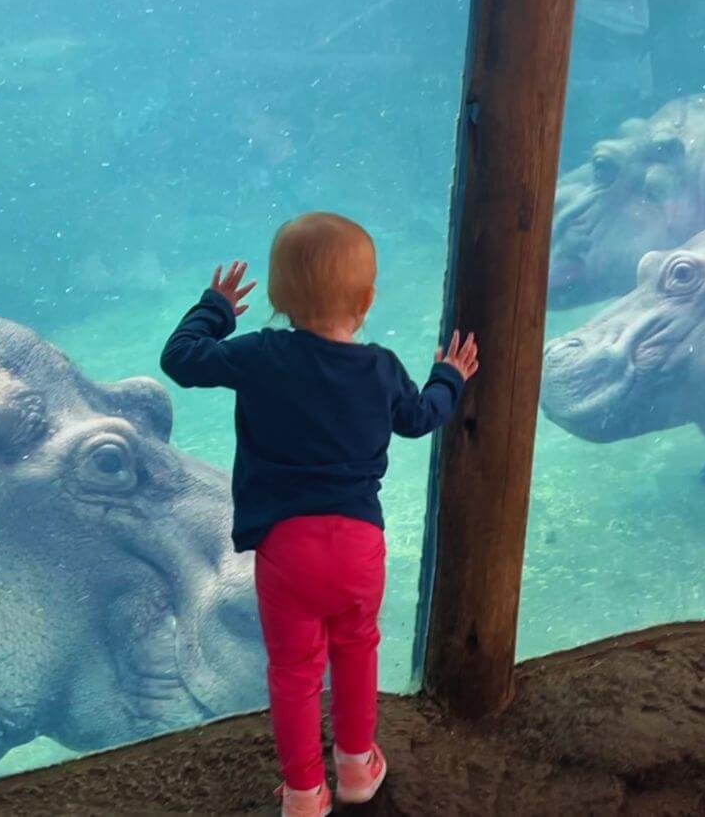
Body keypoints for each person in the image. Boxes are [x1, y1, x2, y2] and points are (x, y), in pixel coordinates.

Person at [159, 212, 478, 817]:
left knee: (295, 672)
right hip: (359, 545)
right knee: (358, 649)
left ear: (278, 298)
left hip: (288, 550)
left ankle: (305, 793)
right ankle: (357, 767)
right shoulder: (381, 367)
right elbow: (419, 419)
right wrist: (449, 377)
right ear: (367, 300)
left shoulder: (260, 355)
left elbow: (181, 358)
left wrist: (217, 308)